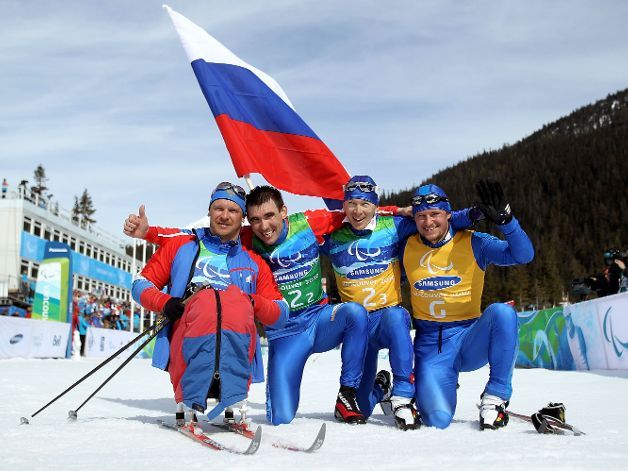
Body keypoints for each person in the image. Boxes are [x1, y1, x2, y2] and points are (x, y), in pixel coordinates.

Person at [125, 186, 401, 425]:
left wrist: (400, 211)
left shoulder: (304, 224)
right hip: (281, 334)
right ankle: (190, 399)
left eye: (269, 216)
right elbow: (184, 238)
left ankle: (348, 392)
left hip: (318, 319)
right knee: (280, 418)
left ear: (283, 212)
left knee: (354, 312)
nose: (264, 226)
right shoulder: (239, 239)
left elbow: (356, 214)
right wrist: (149, 234)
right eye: (255, 219)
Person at [321, 175, 478, 430]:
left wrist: (473, 214)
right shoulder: (333, 236)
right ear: (344, 207)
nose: (358, 211)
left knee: (396, 316)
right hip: (357, 328)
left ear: (375, 205)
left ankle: (403, 393)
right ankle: (380, 388)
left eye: (364, 203)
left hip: (386, 319)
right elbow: (297, 243)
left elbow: (437, 223)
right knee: (360, 407)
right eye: (351, 203)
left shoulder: (392, 226)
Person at [130, 182, 289, 424]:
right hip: (188, 334)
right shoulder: (181, 247)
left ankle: (234, 398)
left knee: (231, 303)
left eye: (232, 210)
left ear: (243, 217)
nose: (224, 216)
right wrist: (166, 302)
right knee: (205, 303)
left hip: (236, 338)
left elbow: (281, 313)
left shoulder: (254, 262)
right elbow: (141, 284)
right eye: (218, 209)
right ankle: (191, 399)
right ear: (209, 211)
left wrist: (249, 301)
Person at [401, 180, 534, 430]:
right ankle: (405, 387)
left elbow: (523, 255)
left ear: (448, 214)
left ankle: (495, 398)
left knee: (502, 313)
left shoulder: (474, 242)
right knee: (436, 420)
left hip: (469, 338)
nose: (428, 222)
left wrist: (507, 222)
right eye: (421, 216)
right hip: (432, 347)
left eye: (435, 214)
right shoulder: (406, 245)